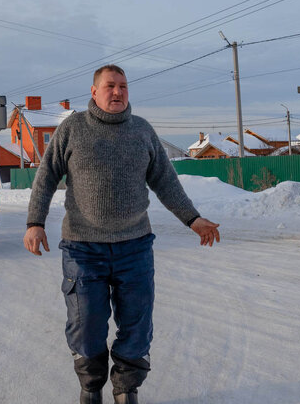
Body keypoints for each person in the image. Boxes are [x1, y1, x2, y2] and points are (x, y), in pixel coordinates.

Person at [23, 64, 220, 404]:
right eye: (110, 86)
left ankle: (126, 390)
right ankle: (90, 389)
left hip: (135, 247)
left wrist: (193, 219)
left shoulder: (142, 131)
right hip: (83, 248)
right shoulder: (72, 129)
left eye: (123, 86)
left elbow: (166, 182)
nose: (117, 92)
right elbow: (45, 177)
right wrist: (34, 222)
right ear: (94, 91)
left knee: (137, 325)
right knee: (87, 325)